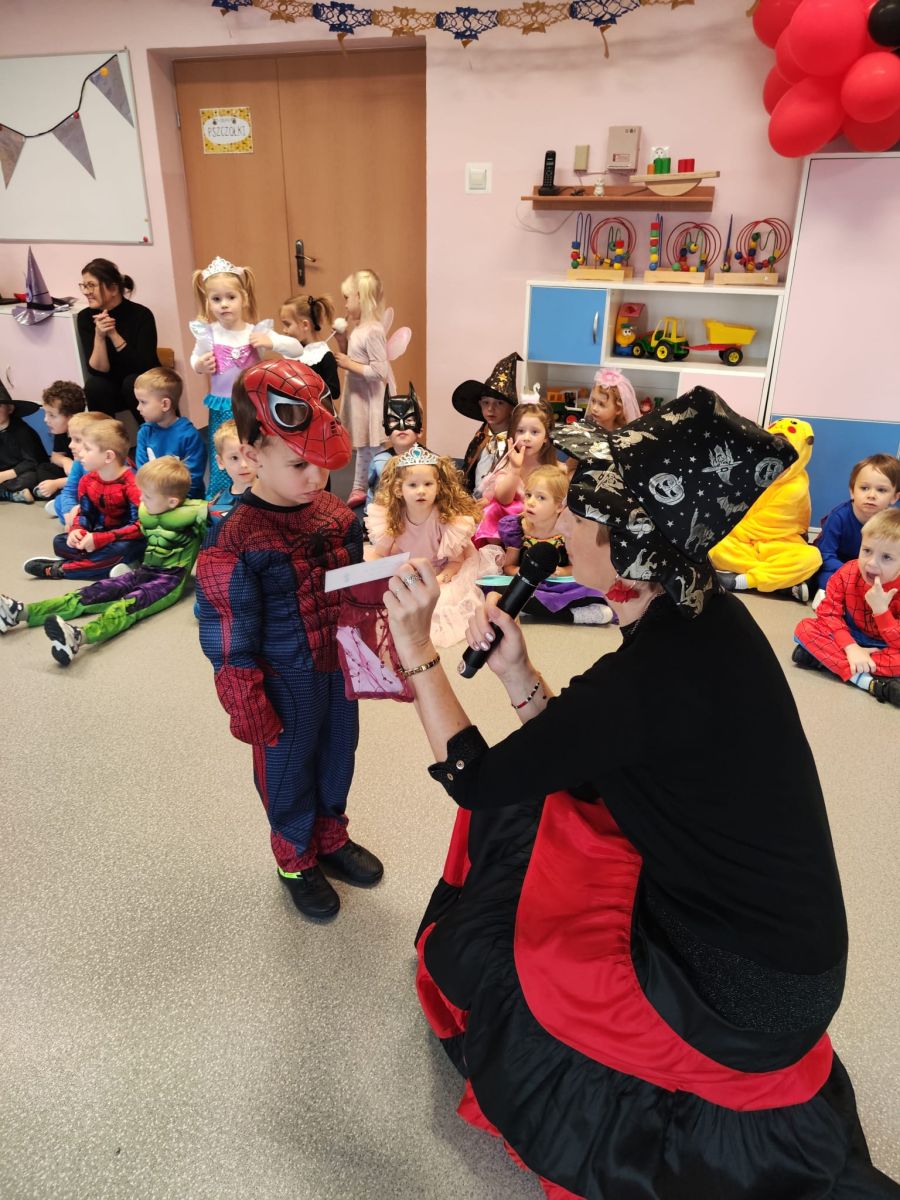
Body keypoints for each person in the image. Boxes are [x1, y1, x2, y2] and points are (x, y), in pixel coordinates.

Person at [381, 386, 900, 1199]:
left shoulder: (648, 678)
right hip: (791, 956)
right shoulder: (707, 618)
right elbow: (593, 754)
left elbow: (476, 781)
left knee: (515, 851)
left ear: (629, 546)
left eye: (582, 514)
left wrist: (415, 651)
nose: (561, 525)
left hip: (746, 990)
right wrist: (518, 673)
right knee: (543, 812)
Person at [196, 359, 382, 922]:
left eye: (322, 464)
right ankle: (295, 857)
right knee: (287, 769)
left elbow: (354, 586)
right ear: (251, 454)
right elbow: (226, 631)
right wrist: (245, 701)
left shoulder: (334, 513)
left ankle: (330, 834)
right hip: (282, 681)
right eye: (299, 464)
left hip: (336, 668)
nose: (315, 478)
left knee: (338, 755)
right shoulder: (235, 540)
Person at [0, 457, 207, 667]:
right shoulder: (148, 511)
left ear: (172, 502)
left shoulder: (196, 515)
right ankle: (21, 612)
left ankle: (79, 636)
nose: (141, 499)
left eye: (147, 496)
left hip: (170, 579)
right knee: (90, 593)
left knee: (127, 606)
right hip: (143, 570)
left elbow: (218, 537)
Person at [189, 255, 299, 499]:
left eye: (231, 297)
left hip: (250, 408)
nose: (224, 304)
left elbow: (296, 349)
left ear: (244, 298)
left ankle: (263, 497)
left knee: (255, 451)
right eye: (216, 299)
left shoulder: (255, 332)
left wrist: (272, 342)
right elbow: (195, 358)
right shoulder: (208, 334)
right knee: (224, 455)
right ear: (208, 302)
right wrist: (199, 365)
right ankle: (222, 501)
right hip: (221, 409)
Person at [366, 445, 484, 648]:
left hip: (438, 572)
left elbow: (455, 562)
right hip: (405, 572)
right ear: (399, 489)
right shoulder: (392, 516)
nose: (421, 491)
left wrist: (440, 580)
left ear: (438, 486)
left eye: (428, 484)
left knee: (438, 606)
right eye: (412, 485)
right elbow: (381, 555)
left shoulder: (446, 520)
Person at [793, 508, 900, 707]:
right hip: (849, 635)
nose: (871, 563)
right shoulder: (847, 572)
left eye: (886, 557)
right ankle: (869, 682)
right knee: (805, 628)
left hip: (885, 646)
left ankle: (826, 660)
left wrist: (881, 611)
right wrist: (851, 647)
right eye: (867, 551)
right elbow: (828, 612)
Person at [710, 416, 822, 604]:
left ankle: (743, 581)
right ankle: (784, 584)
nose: (778, 459)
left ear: (800, 454)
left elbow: (761, 527)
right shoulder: (754, 474)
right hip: (747, 544)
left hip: (779, 544)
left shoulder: (796, 488)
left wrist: (730, 531)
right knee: (713, 545)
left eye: (787, 453)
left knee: (811, 558)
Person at [23, 419, 144, 581]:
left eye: (87, 449)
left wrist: (100, 539)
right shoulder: (88, 480)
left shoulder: (133, 484)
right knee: (60, 542)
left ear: (108, 456)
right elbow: (85, 513)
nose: (80, 453)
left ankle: (62, 569)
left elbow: (140, 526)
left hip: (127, 540)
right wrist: (77, 530)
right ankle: (107, 565)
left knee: (122, 549)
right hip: (100, 534)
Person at [497, 465, 612, 625]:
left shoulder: (567, 531)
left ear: (559, 506)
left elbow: (576, 567)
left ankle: (527, 608)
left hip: (560, 587)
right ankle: (572, 615)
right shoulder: (516, 528)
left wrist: (562, 571)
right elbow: (508, 567)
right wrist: (525, 572)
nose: (531, 502)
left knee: (591, 589)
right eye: (528, 495)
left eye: (541, 498)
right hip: (531, 585)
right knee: (499, 591)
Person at [334, 268, 395, 509]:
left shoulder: (373, 331)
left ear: (360, 296)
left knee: (374, 445)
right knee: (362, 443)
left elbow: (379, 371)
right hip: (359, 396)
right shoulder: (360, 329)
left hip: (371, 398)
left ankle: (384, 488)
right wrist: (342, 341)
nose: (345, 304)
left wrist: (349, 364)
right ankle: (360, 486)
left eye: (347, 298)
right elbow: (355, 357)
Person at [75, 258, 159, 420]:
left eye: (91, 285)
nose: (86, 292)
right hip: (111, 388)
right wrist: (100, 336)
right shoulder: (85, 317)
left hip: (144, 382)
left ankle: (152, 434)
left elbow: (145, 366)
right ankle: (104, 435)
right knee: (95, 386)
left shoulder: (141, 315)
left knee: (132, 382)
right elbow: (97, 370)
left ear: (113, 289)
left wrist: (113, 334)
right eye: (84, 286)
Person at [811, 454, 900, 608]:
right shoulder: (839, 517)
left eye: (881, 490)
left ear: (894, 497)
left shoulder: (892, 524)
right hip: (838, 567)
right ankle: (828, 597)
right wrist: (852, 573)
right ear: (852, 491)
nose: (871, 495)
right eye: (864, 488)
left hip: (873, 569)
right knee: (824, 577)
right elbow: (825, 554)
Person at [474, 401, 561, 549]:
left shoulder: (555, 470)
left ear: (546, 437)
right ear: (513, 434)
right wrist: (515, 469)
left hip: (543, 525)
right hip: (509, 529)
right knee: (493, 508)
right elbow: (503, 499)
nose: (526, 437)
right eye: (520, 431)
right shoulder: (507, 463)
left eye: (534, 432)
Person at [452, 353, 520, 497]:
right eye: (486, 402)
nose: (490, 409)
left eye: (499, 403)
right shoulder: (480, 437)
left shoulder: (517, 442)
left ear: (511, 408)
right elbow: (467, 474)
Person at [134, 367, 207, 499]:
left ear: (165, 404)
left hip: (186, 499)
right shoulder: (144, 433)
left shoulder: (189, 436)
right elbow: (142, 472)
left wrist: (172, 500)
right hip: (154, 499)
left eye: (143, 402)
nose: (138, 408)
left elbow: (193, 477)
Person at [255, 293, 342, 402]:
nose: (284, 330)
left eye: (287, 324)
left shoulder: (324, 355)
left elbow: (335, 391)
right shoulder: (292, 352)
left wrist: (309, 386)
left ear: (305, 325)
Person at [365, 383, 425, 513]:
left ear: (420, 430)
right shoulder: (379, 462)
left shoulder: (432, 462)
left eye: (409, 420)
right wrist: (369, 516)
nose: (401, 427)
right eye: (393, 421)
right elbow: (372, 491)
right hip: (387, 515)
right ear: (386, 429)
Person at [48, 411, 109, 526]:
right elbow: (69, 490)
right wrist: (69, 515)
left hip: (108, 510)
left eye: (77, 440)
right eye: (70, 439)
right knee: (60, 501)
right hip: (86, 504)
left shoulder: (115, 464)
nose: (70, 445)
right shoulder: (78, 462)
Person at [33, 381, 86, 508]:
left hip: (89, 476)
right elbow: (55, 456)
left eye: (52, 415)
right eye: (46, 413)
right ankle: (65, 498)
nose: (46, 419)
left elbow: (90, 474)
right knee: (44, 468)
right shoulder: (61, 432)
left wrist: (57, 483)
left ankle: (66, 501)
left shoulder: (86, 435)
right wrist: (66, 461)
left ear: (72, 417)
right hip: (73, 475)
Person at [0, 382, 49, 504]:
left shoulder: (22, 430)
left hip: (23, 471)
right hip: (4, 474)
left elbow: (31, 462)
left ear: (10, 408)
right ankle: (12, 494)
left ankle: (7, 493)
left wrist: (3, 476)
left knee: (31, 478)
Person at [207, 419, 256, 523]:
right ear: (221, 462)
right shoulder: (217, 507)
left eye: (249, 455)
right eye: (234, 458)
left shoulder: (278, 496)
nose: (243, 464)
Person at [585, 367, 641, 431]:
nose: (594, 408)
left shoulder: (623, 432)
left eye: (601, 404)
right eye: (593, 401)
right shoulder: (587, 427)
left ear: (618, 409)